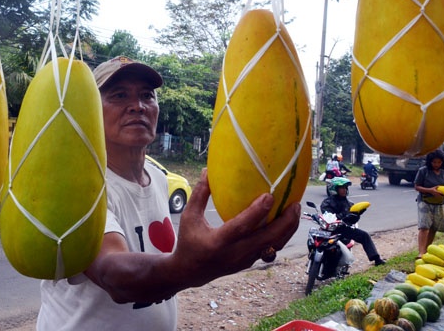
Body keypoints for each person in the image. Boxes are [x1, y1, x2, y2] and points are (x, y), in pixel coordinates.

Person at [36, 56, 301, 330]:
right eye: (119, 95)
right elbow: (112, 272)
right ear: (90, 109)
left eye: (147, 96)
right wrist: (191, 267)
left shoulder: (159, 178)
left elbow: (162, 267)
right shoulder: (77, 185)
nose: (137, 106)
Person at [320, 178, 386, 266]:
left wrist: (357, 214)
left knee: (364, 235)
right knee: (314, 240)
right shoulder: (327, 202)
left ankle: (376, 259)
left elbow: (353, 221)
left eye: (345, 188)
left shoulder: (349, 204)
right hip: (330, 229)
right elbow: (328, 216)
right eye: (341, 188)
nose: (344, 190)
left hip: (343, 229)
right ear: (335, 189)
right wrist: (344, 216)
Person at [414, 149, 444, 258]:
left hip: (440, 203)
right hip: (425, 201)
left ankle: (426, 250)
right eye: (434, 162)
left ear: (442, 162)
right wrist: (431, 190)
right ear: (430, 161)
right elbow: (417, 186)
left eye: (439, 162)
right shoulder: (423, 171)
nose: (436, 164)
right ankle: (421, 252)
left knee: (434, 227)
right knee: (424, 226)